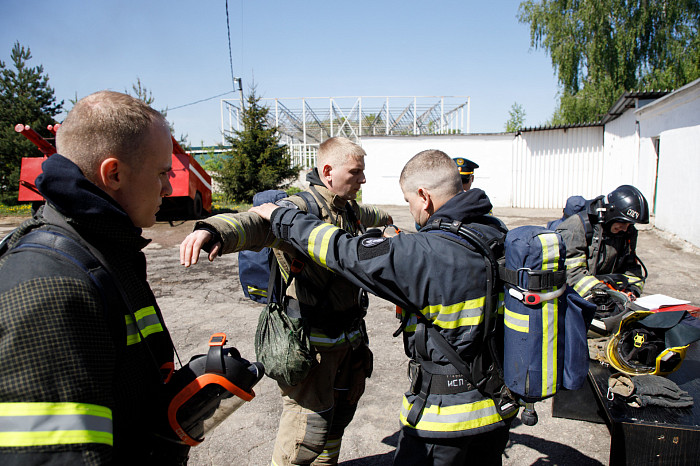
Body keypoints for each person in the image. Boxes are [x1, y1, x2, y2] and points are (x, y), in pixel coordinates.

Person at [251, 149, 515, 465]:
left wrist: (285, 218)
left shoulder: (421, 252)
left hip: (445, 421)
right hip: (498, 408)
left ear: (424, 197)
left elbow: (343, 251)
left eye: (409, 202)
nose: (411, 210)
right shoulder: (494, 231)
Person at [0, 91, 189, 463]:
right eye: (162, 173)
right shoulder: (54, 285)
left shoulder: (102, 247)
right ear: (114, 174)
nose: (168, 188)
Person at [179, 136, 393, 465]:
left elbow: (377, 215)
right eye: (355, 172)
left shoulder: (349, 210)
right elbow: (252, 222)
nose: (362, 179)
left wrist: (393, 226)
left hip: (349, 344)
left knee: (337, 422)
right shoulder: (296, 211)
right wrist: (213, 230)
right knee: (306, 434)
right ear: (328, 172)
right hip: (312, 350)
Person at [555, 185, 649, 301]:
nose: (625, 229)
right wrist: (605, 294)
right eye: (623, 222)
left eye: (630, 224)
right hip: (578, 299)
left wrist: (632, 290)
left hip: (607, 297)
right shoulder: (576, 226)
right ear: (611, 213)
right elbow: (571, 273)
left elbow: (631, 267)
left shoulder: (627, 232)